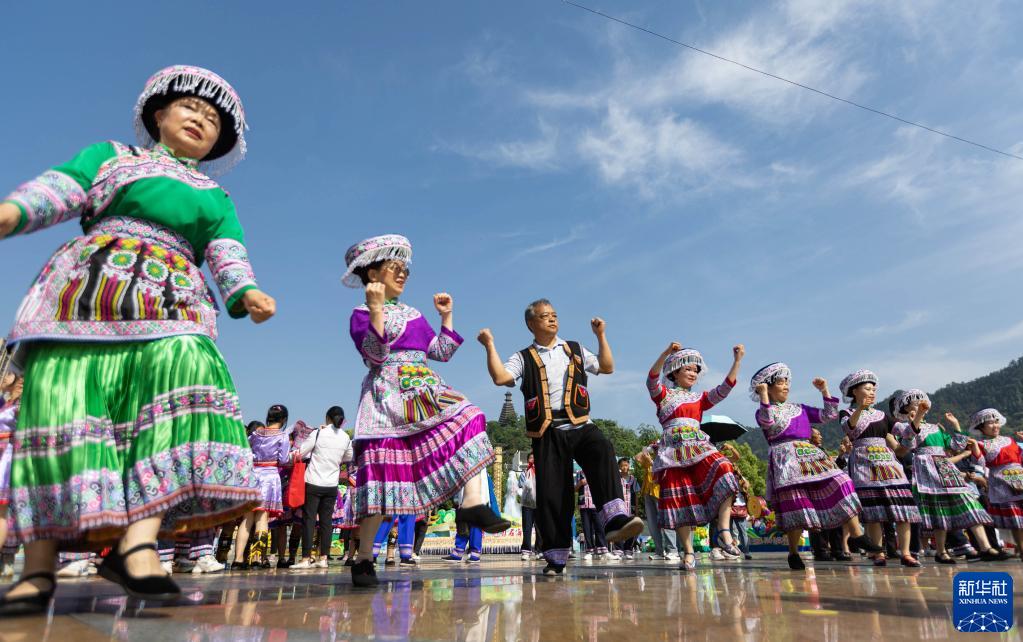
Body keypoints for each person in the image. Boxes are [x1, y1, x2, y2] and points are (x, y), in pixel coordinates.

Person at [0, 65, 274, 614]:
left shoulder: (215, 194)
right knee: (62, 408)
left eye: (213, 119)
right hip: (86, 293)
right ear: (159, 114)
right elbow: (61, 188)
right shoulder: (111, 157)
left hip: (175, 299)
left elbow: (226, 247)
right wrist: (13, 212)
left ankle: (139, 545)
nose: (201, 120)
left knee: (188, 376)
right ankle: (37, 569)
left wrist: (245, 290)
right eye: (191, 107)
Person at [344, 235, 507, 587]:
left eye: (405, 269)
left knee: (469, 416)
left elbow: (441, 351)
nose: (403, 274)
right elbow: (376, 355)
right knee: (382, 478)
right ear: (373, 272)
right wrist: (376, 310)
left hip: (423, 390)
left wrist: (446, 316)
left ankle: (473, 502)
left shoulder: (414, 314)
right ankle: (364, 557)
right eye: (395, 268)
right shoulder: (360, 314)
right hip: (387, 397)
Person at [478, 299, 644, 576]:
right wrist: (489, 345)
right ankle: (555, 556)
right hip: (547, 429)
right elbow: (501, 377)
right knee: (553, 493)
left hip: (580, 423)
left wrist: (601, 335)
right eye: (545, 316)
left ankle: (615, 519)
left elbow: (607, 366)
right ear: (531, 324)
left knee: (602, 448)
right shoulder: (523, 357)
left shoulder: (574, 348)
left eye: (554, 315)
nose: (552, 319)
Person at [750, 363, 881, 570]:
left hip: (810, 454)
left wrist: (824, 391)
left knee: (842, 481)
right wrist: (764, 395)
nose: (786, 386)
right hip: (785, 457)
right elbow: (768, 422)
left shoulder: (799, 408)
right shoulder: (763, 411)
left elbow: (829, 415)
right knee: (797, 502)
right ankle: (793, 552)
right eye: (781, 382)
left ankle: (857, 534)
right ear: (768, 387)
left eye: (787, 382)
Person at [644, 342, 745, 571]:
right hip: (672, 452)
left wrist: (737, 361)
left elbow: (725, 388)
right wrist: (666, 353)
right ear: (675, 372)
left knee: (724, 468)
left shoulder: (700, 398)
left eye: (696, 370)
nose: (693, 373)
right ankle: (688, 552)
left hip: (698, 447)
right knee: (679, 498)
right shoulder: (664, 395)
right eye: (688, 369)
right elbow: (651, 379)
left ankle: (724, 531)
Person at [891, 391, 1010, 563]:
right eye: (914, 404)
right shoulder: (902, 426)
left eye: (921, 402)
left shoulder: (935, 427)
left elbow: (955, 446)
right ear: (905, 408)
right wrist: (915, 420)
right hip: (926, 468)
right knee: (938, 509)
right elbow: (907, 445)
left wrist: (956, 425)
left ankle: (986, 547)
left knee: (968, 501)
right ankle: (941, 551)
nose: (919, 405)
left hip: (944, 466)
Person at [838, 370, 921, 567]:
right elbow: (850, 429)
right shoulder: (847, 413)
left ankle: (906, 553)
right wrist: (860, 408)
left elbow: (905, 432)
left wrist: (918, 417)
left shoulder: (883, 415)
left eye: (873, 389)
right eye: (867, 389)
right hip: (864, 465)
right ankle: (877, 552)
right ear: (855, 391)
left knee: (902, 510)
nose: (872, 392)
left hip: (889, 465)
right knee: (873, 514)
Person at [291, 406, 353, 570]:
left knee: (309, 520)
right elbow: (348, 456)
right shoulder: (345, 437)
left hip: (313, 482)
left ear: (328, 417)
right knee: (326, 522)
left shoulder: (318, 433)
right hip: (331, 485)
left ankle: (306, 558)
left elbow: (301, 453)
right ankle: (324, 558)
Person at [234, 404, 290, 570]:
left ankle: (237, 560)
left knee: (247, 519)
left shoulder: (256, 434)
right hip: (269, 477)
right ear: (284, 419)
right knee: (262, 518)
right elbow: (284, 460)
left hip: (253, 476)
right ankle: (256, 558)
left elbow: (246, 452)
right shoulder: (282, 436)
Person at [968, 408, 1023, 560]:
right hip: (1001, 483)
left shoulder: (1010, 440)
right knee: (1016, 520)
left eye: (996, 422)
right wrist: (975, 448)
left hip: (1020, 478)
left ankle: (1019, 548)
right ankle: (1021, 549)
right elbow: (979, 463)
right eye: (990, 423)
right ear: (982, 428)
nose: (995, 426)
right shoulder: (982, 444)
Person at [635, 448, 679, 561]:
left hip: (662, 492)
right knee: (652, 524)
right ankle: (659, 551)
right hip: (648, 491)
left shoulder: (667, 457)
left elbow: (667, 470)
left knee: (667, 521)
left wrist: (652, 462)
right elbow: (637, 457)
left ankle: (673, 551)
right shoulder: (649, 458)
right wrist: (647, 449)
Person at [518, 453, 540, 561]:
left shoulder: (541, 471)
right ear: (528, 460)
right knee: (527, 527)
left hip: (539, 503)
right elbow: (521, 486)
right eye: (531, 457)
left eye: (535, 457)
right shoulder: (524, 472)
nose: (533, 459)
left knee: (540, 528)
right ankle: (526, 550)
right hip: (527, 503)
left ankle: (539, 550)